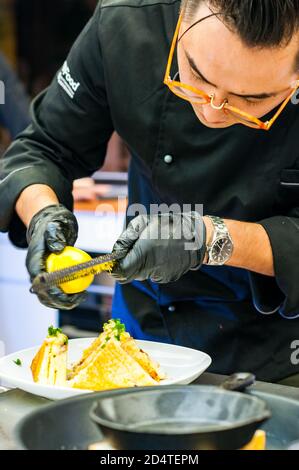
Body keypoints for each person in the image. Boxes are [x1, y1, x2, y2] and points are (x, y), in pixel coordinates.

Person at [1, 0, 299, 385]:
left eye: (253, 101)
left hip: (279, 355)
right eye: (195, 75)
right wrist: (42, 212)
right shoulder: (127, 23)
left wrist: (210, 239)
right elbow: (44, 147)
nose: (212, 111)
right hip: (142, 337)